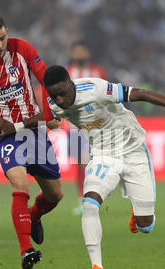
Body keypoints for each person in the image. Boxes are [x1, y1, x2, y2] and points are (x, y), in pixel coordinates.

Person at [42, 66, 165, 269]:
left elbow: (139, 93)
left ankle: (137, 211)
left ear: (71, 85)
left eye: (63, 93)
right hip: (103, 156)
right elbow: (46, 118)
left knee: (145, 226)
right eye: (54, 95)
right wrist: (18, 125)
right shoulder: (54, 106)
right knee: (89, 204)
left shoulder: (96, 89)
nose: (59, 99)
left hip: (133, 151)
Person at [0, 13, 63, 269]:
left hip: (34, 129)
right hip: (4, 134)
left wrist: (49, 114)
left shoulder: (23, 49)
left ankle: (34, 217)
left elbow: (44, 79)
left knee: (55, 194)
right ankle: (25, 250)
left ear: (8, 33)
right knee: (20, 184)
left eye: (3, 38)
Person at [66, 42, 108, 215]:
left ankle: (93, 197)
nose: (80, 53)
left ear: (88, 52)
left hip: (96, 126)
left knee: (93, 162)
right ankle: (82, 200)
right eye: (77, 50)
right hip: (74, 126)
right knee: (79, 164)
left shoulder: (98, 71)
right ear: (72, 53)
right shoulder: (67, 72)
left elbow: (106, 94)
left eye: (83, 50)